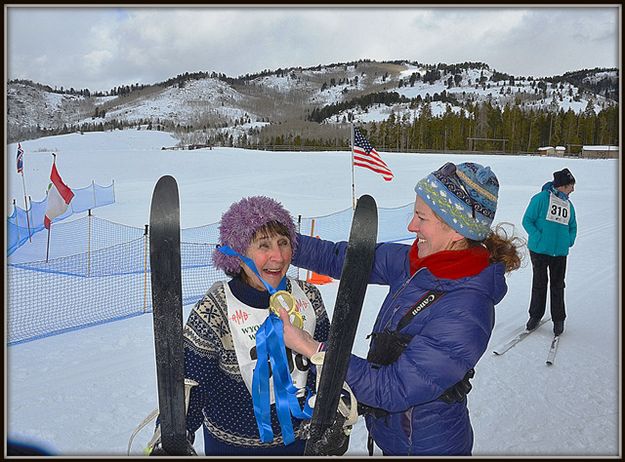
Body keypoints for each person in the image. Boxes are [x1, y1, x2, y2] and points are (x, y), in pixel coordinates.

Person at [279, 162, 523, 456]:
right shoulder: (417, 262)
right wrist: (283, 243)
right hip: (395, 437)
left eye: (421, 217)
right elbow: (344, 258)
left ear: (456, 231)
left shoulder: (467, 310)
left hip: (427, 447)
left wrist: (312, 347)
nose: (411, 226)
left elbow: (393, 389)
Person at [151, 196, 331, 456]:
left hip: (302, 445)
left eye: (283, 242)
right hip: (233, 446)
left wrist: (332, 414)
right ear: (239, 253)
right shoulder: (215, 309)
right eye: (263, 245)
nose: (278, 256)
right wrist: (172, 438)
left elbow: (326, 363)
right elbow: (190, 386)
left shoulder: (309, 297)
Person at [522, 168, 577, 336]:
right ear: (561, 186)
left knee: (558, 285)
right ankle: (535, 315)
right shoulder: (540, 199)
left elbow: (573, 226)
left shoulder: (568, 204)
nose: (573, 190)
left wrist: (569, 240)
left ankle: (558, 319)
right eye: (570, 186)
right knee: (539, 284)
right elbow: (527, 221)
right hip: (539, 250)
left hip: (560, 252)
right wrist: (538, 237)